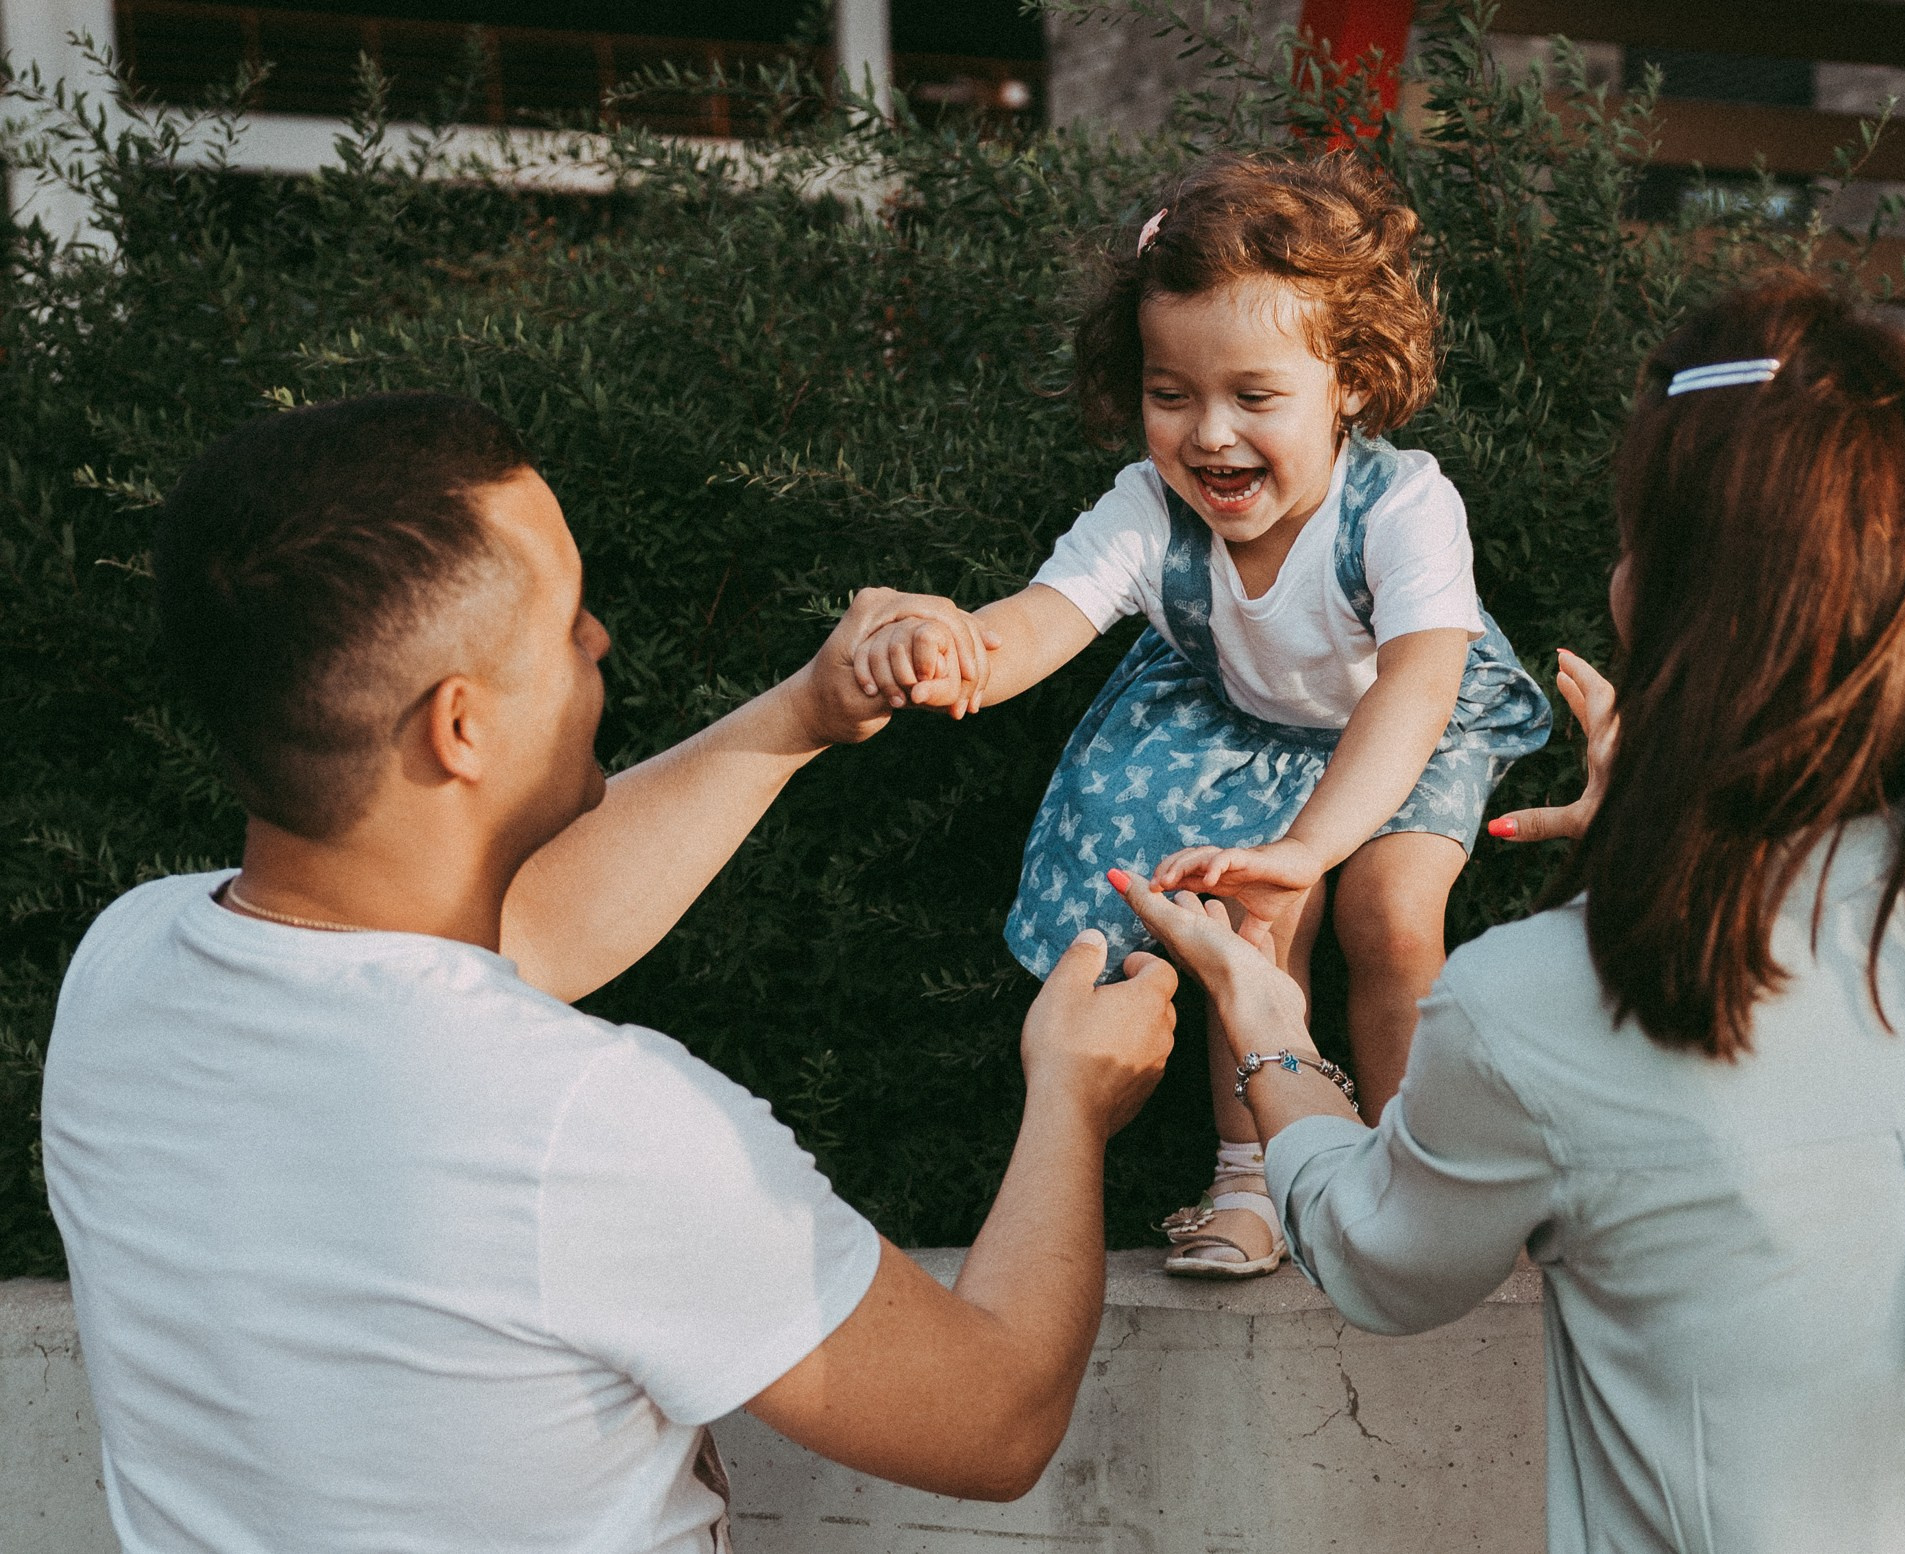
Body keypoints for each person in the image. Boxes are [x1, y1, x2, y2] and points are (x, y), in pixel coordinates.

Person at [1115, 281, 1905, 1552]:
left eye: (1634, 546)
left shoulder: (1544, 1005)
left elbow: (1376, 1254)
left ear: (1676, 599)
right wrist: (1673, 824)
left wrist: (1266, 1023)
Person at [40, 391, 1179, 1554]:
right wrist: (1072, 1103)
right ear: (460, 728)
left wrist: (800, 715)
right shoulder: (586, 1123)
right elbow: (990, 1420)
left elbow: (492, 943)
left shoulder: (126, 970)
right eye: (570, 620)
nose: (600, 642)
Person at [846, 151, 1549, 1278]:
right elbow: (1044, 616)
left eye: (1254, 397)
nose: (1209, 435)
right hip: (1242, 720)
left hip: (1403, 729)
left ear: (1351, 382)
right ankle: (1255, 1182)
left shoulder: (1404, 503)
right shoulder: (1146, 511)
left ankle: (1423, 1183)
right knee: (1247, 921)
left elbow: (1417, 687)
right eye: (1171, 396)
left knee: (1393, 916)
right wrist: (957, 649)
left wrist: (1310, 843)